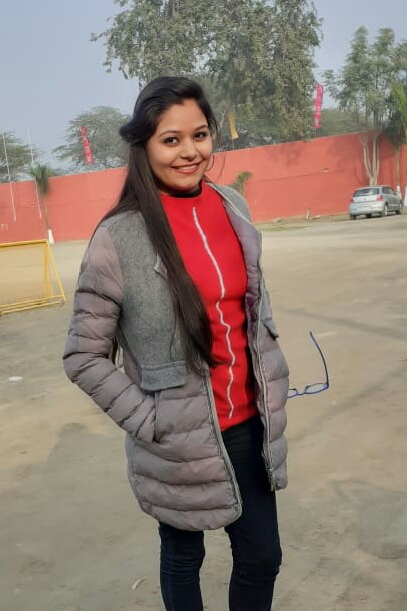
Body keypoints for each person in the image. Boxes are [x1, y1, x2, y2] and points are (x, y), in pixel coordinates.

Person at [63, 76, 289, 611]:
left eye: (200, 135)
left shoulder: (232, 207)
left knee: (262, 557)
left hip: (249, 424)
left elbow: (251, 312)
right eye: (171, 140)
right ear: (143, 145)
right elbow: (83, 355)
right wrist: (151, 421)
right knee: (185, 558)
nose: (190, 152)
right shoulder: (118, 237)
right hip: (176, 440)